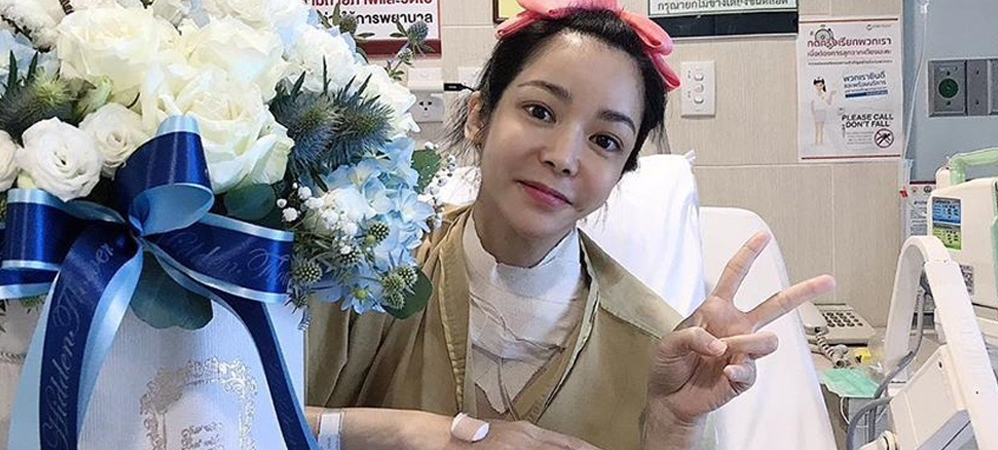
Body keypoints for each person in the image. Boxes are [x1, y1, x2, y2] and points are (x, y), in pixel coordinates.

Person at [304, 1, 836, 448]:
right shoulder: (361, 274)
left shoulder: (662, 350)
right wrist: (423, 433)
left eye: (605, 141)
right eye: (540, 111)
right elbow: (256, 418)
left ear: (621, 173)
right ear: (479, 115)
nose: (563, 157)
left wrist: (672, 428)